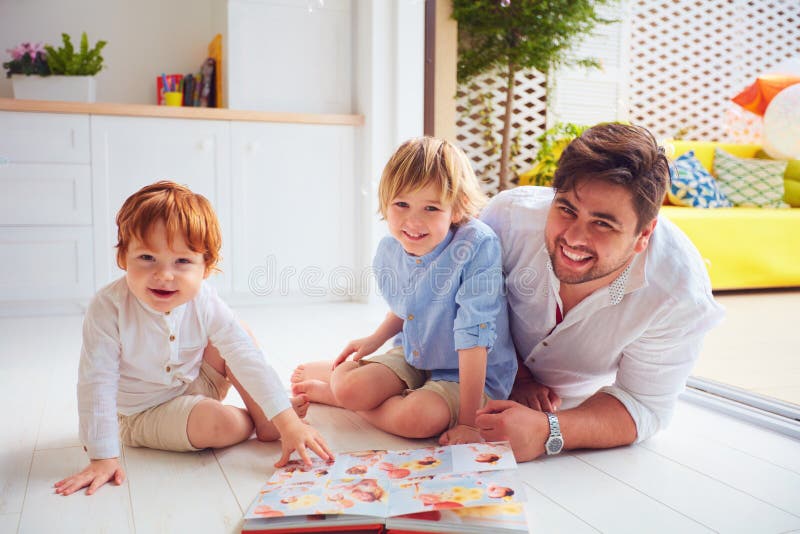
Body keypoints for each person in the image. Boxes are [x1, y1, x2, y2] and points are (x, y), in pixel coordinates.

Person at [55, 181, 333, 496]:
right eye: (147, 257)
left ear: (206, 266)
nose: (164, 274)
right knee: (218, 423)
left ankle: (272, 419)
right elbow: (96, 383)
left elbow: (243, 354)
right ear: (123, 257)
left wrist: (288, 422)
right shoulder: (108, 307)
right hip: (145, 412)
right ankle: (255, 420)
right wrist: (102, 457)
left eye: (182, 261)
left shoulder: (203, 299)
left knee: (237, 333)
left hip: (193, 381)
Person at [475, 123, 724, 462]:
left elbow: (643, 405)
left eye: (603, 223)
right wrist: (517, 374)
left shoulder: (678, 295)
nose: (575, 238)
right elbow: (463, 301)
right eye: (566, 209)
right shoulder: (506, 219)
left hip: (567, 403)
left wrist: (547, 431)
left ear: (643, 234)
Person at [292, 137, 517, 445]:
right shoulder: (391, 249)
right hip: (415, 352)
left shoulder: (477, 246)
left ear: (456, 210)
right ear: (386, 202)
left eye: (431, 208)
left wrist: (469, 423)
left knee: (417, 418)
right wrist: (374, 339)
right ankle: (344, 394)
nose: (413, 221)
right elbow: (407, 307)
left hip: (468, 374)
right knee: (349, 386)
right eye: (402, 204)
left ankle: (344, 401)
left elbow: (474, 335)